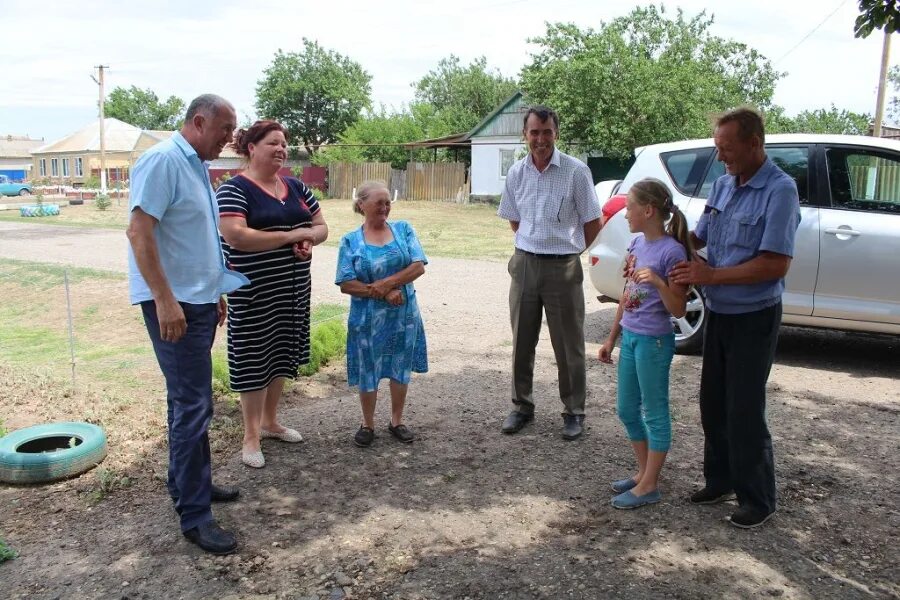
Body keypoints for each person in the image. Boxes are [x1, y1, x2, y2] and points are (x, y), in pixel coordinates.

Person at [127, 94, 248, 555]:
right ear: (199, 122)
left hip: (195, 301)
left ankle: (187, 483)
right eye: (225, 129)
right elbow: (140, 232)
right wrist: (165, 299)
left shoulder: (196, 163)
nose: (230, 139)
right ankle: (195, 515)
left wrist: (213, 289)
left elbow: (194, 236)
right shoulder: (162, 161)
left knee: (189, 401)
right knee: (193, 404)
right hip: (172, 305)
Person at [669, 107, 800, 529]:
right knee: (713, 404)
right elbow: (699, 236)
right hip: (721, 314)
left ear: (754, 144)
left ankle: (758, 499)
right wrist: (665, 234)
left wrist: (711, 275)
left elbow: (775, 264)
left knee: (744, 407)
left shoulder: (780, 190)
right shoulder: (724, 185)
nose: (721, 157)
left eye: (727, 149)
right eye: (717, 148)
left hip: (754, 316)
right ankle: (720, 480)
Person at [216, 120, 328, 469]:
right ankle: (250, 435)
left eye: (284, 144)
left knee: (281, 353)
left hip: (292, 288)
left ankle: (270, 421)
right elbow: (237, 236)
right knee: (253, 359)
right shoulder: (234, 190)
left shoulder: (295, 186)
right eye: (273, 143)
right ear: (251, 147)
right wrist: (290, 236)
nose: (281, 150)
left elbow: (322, 227)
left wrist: (307, 238)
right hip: (252, 290)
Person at [497, 105, 602, 440]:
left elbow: (593, 220)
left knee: (569, 343)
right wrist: (531, 243)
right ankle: (521, 407)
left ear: (556, 133)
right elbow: (515, 219)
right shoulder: (516, 173)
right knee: (521, 340)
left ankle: (574, 411)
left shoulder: (575, 171)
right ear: (525, 135)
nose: (540, 139)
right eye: (534, 132)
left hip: (563, 267)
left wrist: (571, 252)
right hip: (525, 263)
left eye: (546, 132)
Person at [598, 178, 690, 509]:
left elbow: (678, 308)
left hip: (655, 342)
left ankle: (650, 484)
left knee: (654, 411)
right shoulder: (636, 244)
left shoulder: (673, 251)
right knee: (626, 409)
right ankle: (642, 473)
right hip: (632, 339)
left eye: (630, 208)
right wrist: (612, 338)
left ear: (648, 210)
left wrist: (659, 281)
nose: (625, 215)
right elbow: (627, 294)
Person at [335, 180, 428, 448]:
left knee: (400, 366)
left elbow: (418, 266)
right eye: (379, 203)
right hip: (367, 320)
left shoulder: (403, 229)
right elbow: (345, 283)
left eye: (388, 202)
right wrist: (384, 292)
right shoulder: (350, 240)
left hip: (403, 315)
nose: (385, 207)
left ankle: (397, 420)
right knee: (368, 368)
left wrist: (387, 283)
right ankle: (367, 424)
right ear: (362, 205)